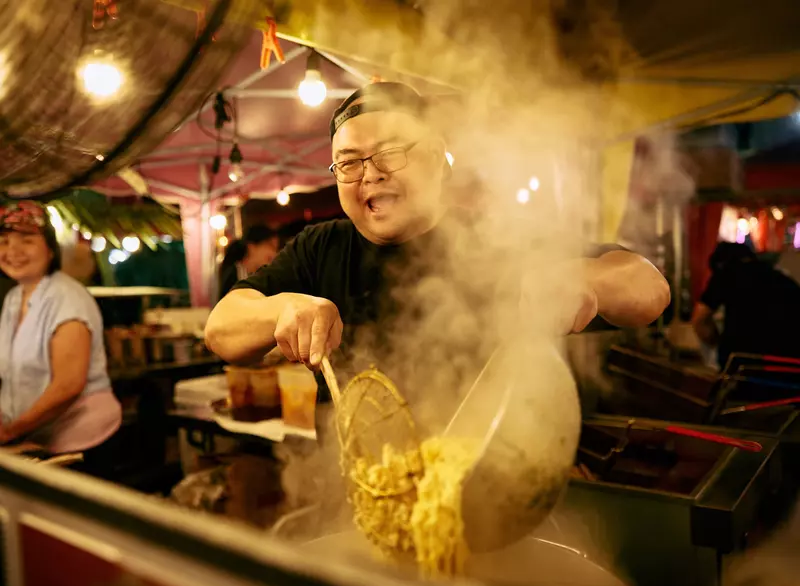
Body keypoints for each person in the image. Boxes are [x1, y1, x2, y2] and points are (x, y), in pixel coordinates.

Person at [205, 82, 669, 397]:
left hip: (497, 478)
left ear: (437, 162)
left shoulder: (493, 238)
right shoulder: (321, 247)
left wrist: (580, 278)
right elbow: (220, 329)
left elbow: (649, 289)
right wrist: (279, 309)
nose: (370, 174)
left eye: (390, 152)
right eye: (349, 162)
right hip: (364, 489)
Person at [0, 201, 122, 467]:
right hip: (37, 438)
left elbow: (68, 385)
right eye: (4, 241)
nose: (13, 251)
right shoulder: (13, 298)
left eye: (26, 239)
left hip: (83, 442)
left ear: (50, 248)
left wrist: (11, 431)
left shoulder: (66, 297)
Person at [692, 241, 800, 370]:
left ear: (720, 264)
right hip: (788, 367)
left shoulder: (727, 274)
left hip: (742, 364)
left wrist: (716, 343)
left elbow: (700, 320)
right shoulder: (783, 279)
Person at [218, 225, 280, 300]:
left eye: (276, 249)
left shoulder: (263, 278)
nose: (274, 253)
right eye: (270, 246)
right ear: (252, 247)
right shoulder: (234, 274)